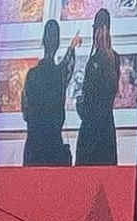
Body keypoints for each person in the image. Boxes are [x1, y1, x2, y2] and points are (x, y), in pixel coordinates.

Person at [19, 18, 74, 168]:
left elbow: (25, 112)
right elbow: (67, 66)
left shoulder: (32, 75)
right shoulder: (59, 75)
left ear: (43, 40)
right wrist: (72, 47)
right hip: (53, 149)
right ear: (57, 43)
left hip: (34, 149)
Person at [73, 9, 123, 169]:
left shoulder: (99, 60)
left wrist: (81, 105)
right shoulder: (113, 58)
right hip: (105, 131)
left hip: (93, 133)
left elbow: (93, 99)